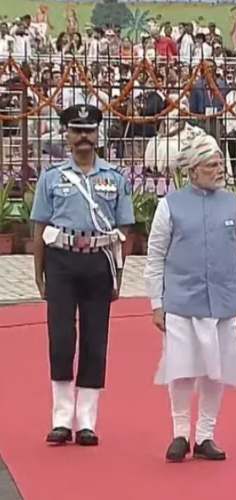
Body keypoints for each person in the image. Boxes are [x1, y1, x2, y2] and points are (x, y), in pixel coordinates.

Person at [144, 133, 236, 462]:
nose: (219, 169)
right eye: (211, 165)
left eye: (220, 163)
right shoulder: (170, 205)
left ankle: (206, 435)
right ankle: (180, 433)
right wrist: (156, 302)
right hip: (181, 302)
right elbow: (155, 256)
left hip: (223, 304)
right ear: (193, 170)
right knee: (181, 370)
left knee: (215, 370)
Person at [30, 104, 134, 445]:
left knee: (94, 339)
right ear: (67, 135)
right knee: (60, 338)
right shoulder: (52, 177)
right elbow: (39, 226)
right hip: (61, 260)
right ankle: (61, 418)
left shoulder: (115, 179)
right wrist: (38, 272)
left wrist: (119, 274)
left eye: (89, 131)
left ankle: (87, 420)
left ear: (97, 134)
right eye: (77, 131)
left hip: (98, 261)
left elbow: (124, 231)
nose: (83, 138)